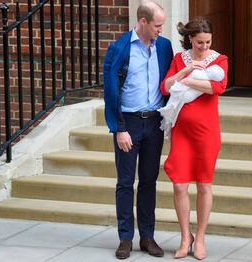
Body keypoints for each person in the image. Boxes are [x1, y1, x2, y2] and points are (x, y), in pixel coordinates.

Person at [103, 1, 173, 259]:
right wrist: (119, 128)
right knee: (125, 182)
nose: (160, 30)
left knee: (148, 182)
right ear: (142, 22)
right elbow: (110, 91)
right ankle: (125, 238)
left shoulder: (164, 46)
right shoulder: (120, 48)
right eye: (157, 25)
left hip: (153, 122)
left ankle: (147, 236)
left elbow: (169, 82)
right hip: (128, 123)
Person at [160, 17, 228, 260]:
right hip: (182, 132)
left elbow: (218, 87)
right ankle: (184, 237)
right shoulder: (180, 59)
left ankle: (200, 239)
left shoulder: (219, 60)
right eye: (200, 42)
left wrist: (187, 81)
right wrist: (188, 71)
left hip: (207, 133)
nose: (204, 47)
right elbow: (165, 88)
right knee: (179, 184)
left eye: (208, 42)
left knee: (203, 184)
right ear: (190, 39)